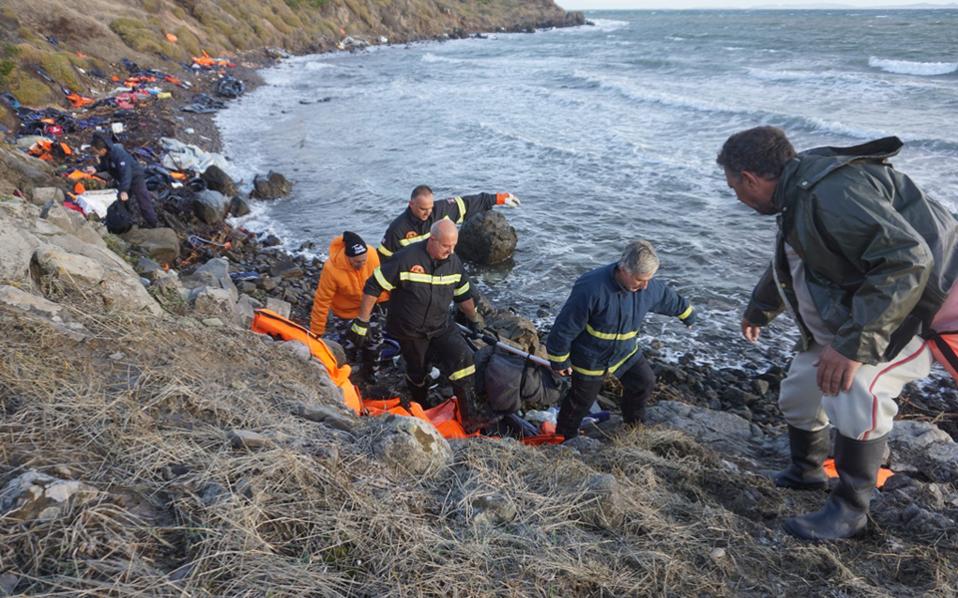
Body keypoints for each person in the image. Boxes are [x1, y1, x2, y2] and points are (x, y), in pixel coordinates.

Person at [718, 126, 958, 541]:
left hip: (926, 308)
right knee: (799, 389)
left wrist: (852, 346)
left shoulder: (829, 192)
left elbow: (907, 261)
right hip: (872, 306)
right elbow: (795, 255)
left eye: (734, 187)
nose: (736, 196)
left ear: (750, 178)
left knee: (858, 385)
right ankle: (806, 471)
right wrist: (761, 307)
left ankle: (851, 511)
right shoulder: (800, 187)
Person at [545, 240, 696, 439]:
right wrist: (559, 359)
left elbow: (667, 298)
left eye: (649, 279)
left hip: (626, 352)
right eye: (640, 280)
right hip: (591, 357)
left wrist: (687, 314)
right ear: (623, 269)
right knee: (580, 401)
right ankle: (565, 438)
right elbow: (566, 325)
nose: (645, 286)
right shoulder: (591, 287)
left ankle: (634, 426)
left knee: (644, 381)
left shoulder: (647, 287)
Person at [352, 219, 490, 430]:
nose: (451, 251)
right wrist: (362, 321)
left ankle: (469, 415)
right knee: (418, 372)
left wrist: (475, 319)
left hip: (441, 325)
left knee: (464, 360)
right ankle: (422, 406)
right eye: (446, 246)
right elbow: (373, 286)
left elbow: (463, 294)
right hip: (410, 330)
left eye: (454, 246)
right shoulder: (406, 258)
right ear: (431, 240)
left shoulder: (454, 262)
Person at [309, 231, 389, 379]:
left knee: (374, 342)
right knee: (350, 345)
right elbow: (322, 300)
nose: (362, 264)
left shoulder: (372, 254)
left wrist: (383, 300)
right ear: (348, 258)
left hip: (369, 307)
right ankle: (348, 371)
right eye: (357, 262)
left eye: (364, 261)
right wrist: (316, 332)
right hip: (344, 313)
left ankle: (371, 374)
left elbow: (380, 281)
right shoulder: (331, 268)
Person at [376, 184, 520, 260]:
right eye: (422, 209)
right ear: (411, 204)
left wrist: (499, 198)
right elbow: (383, 259)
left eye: (430, 208)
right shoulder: (398, 228)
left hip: (441, 264)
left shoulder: (441, 210)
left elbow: (469, 203)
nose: (427, 213)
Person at [88, 134, 158, 228]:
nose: (96, 154)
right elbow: (105, 165)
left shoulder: (118, 153)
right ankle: (126, 221)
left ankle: (153, 223)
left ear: (103, 150)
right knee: (122, 201)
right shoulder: (105, 155)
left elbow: (126, 172)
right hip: (123, 179)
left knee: (143, 200)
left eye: (96, 152)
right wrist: (96, 169)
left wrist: (124, 190)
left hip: (135, 177)